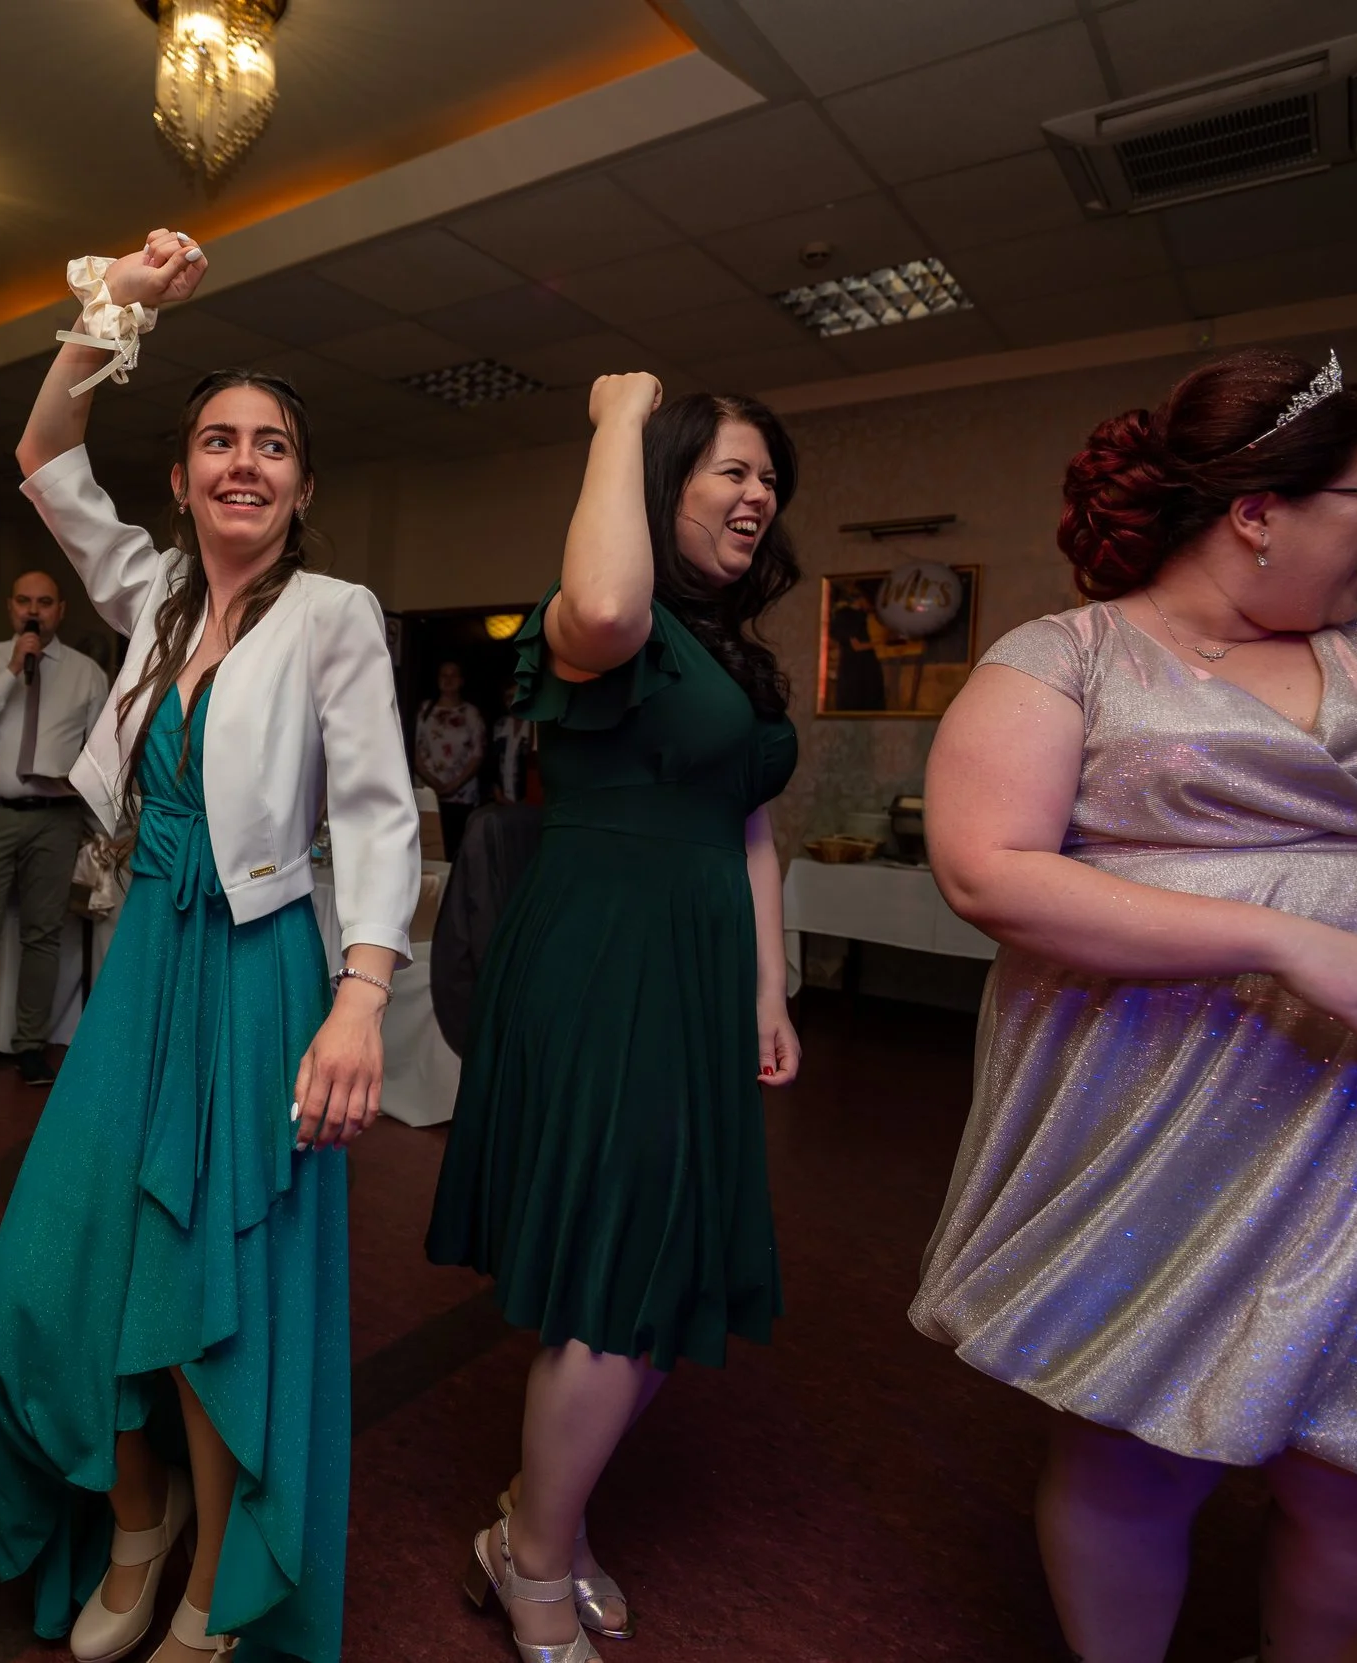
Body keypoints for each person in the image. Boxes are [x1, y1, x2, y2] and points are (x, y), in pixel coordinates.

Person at [909, 347, 1357, 1663]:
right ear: (1260, 509)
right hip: (1153, 1106)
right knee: (1133, 1445)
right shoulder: (1068, 656)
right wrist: (1289, 941)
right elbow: (991, 868)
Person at [0, 229, 418, 1663]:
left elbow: (377, 815)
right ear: (179, 476)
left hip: (258, 970)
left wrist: (358, 1004)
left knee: (205, 1289)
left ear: (301, 482)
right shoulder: (157, 593)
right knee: (56, 1266)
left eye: (272, 445)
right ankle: (140, 1515)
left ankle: (217, 1576)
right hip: (139, 973)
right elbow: (45, 450)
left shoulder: (336, 618)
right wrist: (121, 314)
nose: (244, 461)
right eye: (218, 440)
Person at [426, 379, 803, 1663]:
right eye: (730, 472)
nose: (758, 494)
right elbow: (597, 601)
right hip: (604, 959)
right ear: (661, 488)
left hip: (696, 970)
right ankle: (535, 1563)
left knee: (666, 1264)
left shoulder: (734, 655)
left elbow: (750, 827)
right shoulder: (605, 627)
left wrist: (766, 985)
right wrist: (617, 420)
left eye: (768, 479)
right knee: (613, 1275)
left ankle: (534, 1522)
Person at [0, 569, 110, 1086]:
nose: (32, 610)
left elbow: (100, 754)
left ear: (60, 610)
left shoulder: (87, 674)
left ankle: (31, 1047)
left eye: (44, 601)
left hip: (55, 819)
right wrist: (13, 670)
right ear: (10, 607)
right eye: (23, 601)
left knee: (43, 935)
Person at [412, 659, 487, 854]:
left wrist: (453, 785)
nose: (448, 679)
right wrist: (434, 783)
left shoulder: (471, 713)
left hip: (461, 797)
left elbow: (477, 755)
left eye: (453, 675)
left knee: (456, 849)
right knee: (429, 849)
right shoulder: (425, 710)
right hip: (429, 792)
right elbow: (416, 750)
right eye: (443, 675)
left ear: (461, 680)